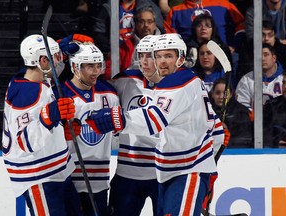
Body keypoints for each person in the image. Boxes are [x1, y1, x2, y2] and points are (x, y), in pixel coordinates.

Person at [86, 33, 224, 216]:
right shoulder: (189, 80)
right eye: (159, 56)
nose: (162, 61)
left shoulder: (179, 82)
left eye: (168, 56)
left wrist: (116, 119)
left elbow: (153, 119)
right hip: (172, 171)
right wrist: (209, 170)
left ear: (180, 58)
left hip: (187, 171)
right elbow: (216, 129)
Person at [2, 34, 82, 216]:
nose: (59, 60)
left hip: (57, 170)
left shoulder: (29, 79)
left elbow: (43, 123)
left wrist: (60, 130)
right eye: (55, 56)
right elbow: (24, 141)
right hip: (39, 176)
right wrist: (48, 117)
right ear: (43, 60)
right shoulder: (28, 93)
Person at [55, 42, 120, 216]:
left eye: (99, 65)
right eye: (90, 66)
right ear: (75, 67)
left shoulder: (110, 94)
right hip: (68, 179)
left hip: (99, 179)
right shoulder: (58, 94)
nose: (96, 71)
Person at [107, 35, 161, 216]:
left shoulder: (177, 85)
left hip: (163, 175)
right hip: (127, 174)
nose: (144, 61)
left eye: (150, 55)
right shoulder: (126, 80)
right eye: (141, 55)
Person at [235, 43, 284, 110]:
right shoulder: (246, 80)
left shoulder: (283, 79)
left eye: (266, 55)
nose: (262, 58)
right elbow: (241, 107)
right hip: (253, 120)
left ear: (274, 58)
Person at [210, 78, 254, 148]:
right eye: (218, 93)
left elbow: (244, 141)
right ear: (212, 94)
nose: (221, 97)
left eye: (225, 93)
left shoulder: (241, 113)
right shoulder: (205, 113)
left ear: (230, 94)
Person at [263, 71, 286, 148]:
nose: (285, 87)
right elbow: (265, 133)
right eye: (284, 83)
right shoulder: (271, 105)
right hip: (275, 151)